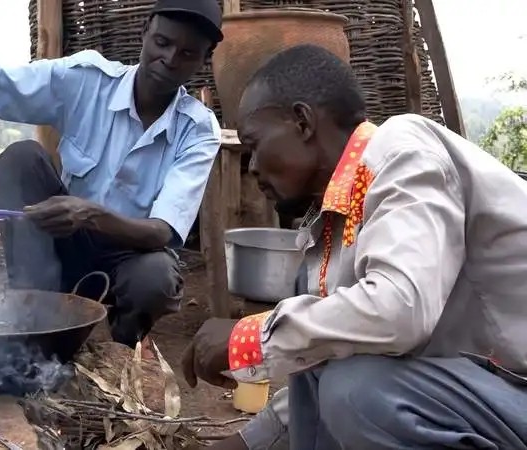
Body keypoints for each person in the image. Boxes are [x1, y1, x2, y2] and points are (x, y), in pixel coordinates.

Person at [182, 44, 527, 449]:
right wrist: (244, 443)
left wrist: (249, 337)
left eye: (255, 144)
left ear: (302, 121)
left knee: (356, 392)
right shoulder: (335, 223)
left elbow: (399, 309)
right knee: (324, 347)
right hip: (486, 397)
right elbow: (324, 350)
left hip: (512, 390)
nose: (252, 165)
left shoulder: (403, 152)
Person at [0, 0, 224, 349]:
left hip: (130, 254)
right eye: (162, 43)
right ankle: (34, 315)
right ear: (145, 32)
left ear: (203, 59)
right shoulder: (88, 80)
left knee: (156, 279)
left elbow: (162, 231)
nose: (169, 59)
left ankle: (120, 345)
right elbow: (7, 83)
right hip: (62, 240)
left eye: (187, 53)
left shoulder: (197, 129)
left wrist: (89, 214)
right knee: (20, 160)